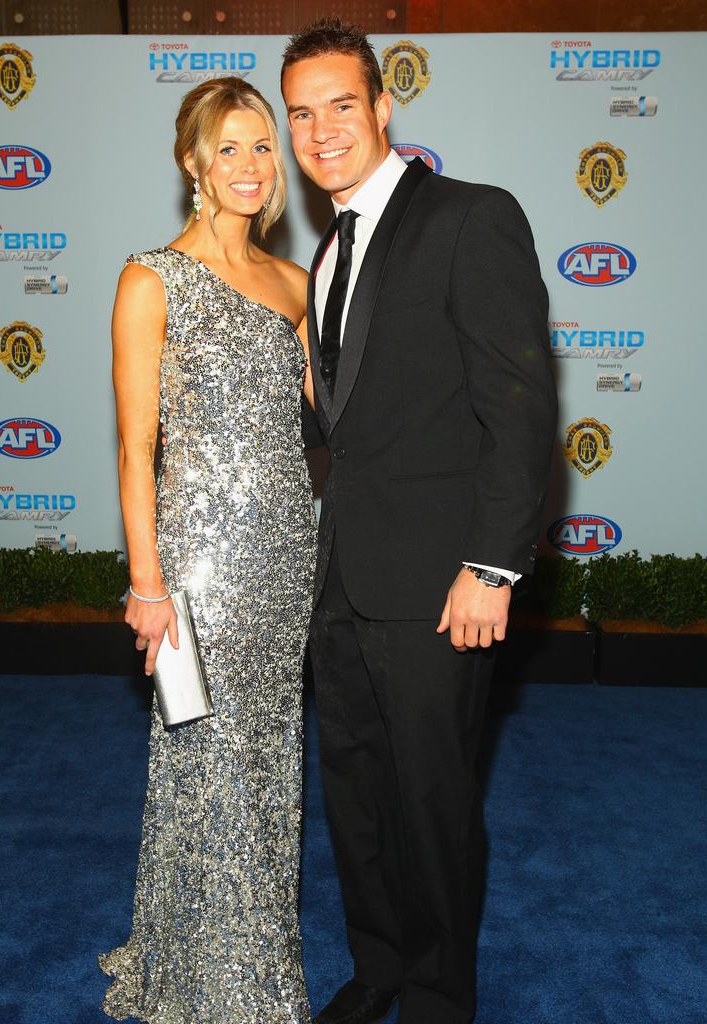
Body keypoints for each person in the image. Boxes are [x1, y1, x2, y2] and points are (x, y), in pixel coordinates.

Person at [281, 19, 558, 1024]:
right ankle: (383, 966)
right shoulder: (324, 257)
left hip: (445, 583)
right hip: (347, 580)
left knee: (435, 804)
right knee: (356, 796)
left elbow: (520, 409)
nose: (320, 132)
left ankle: (440, 998)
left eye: (340, 106)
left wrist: (492, 564)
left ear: (383, 106)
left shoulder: (470, 217)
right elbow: (342, 428)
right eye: (302, 114)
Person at [97, 78, 317, 1024]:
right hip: (201, 566)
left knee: (270, 759)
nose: (250, 166)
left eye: (263, 146)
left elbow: (330, 423)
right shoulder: (151, 277)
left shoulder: (296, 283)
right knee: (208, 758)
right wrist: (147, 584)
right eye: (227, 148)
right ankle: (231, 987)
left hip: (289, 554)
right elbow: (134, 446)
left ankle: (224, 943)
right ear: (191, 161)